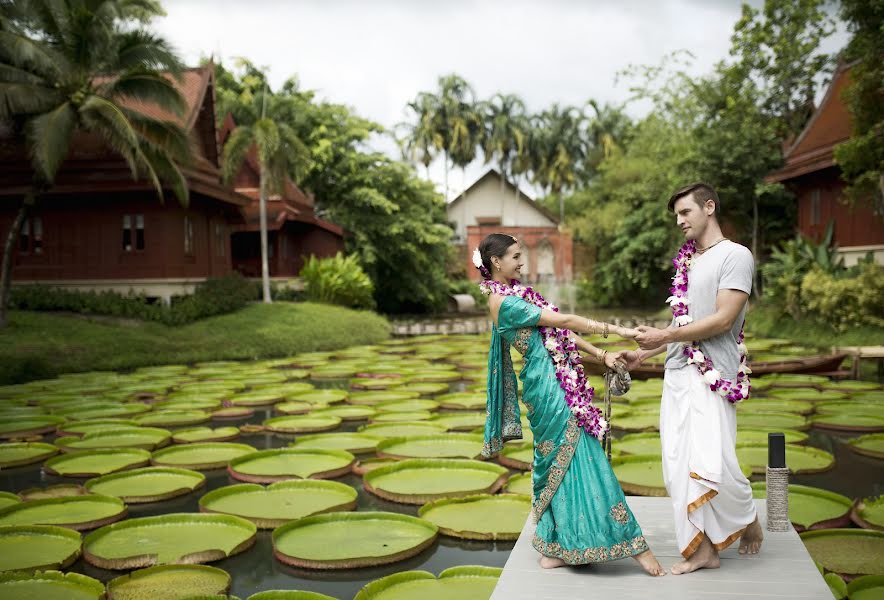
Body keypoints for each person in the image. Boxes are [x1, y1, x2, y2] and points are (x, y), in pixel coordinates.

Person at [477, 232, 665, 576]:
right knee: (581, 456)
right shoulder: (503, 303)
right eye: (516, 257)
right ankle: (632, 543)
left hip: (553, 376)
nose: (522, 262)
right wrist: (619, 331)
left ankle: (557, 548)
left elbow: (556, 332)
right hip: (548, 385)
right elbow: (562, 321)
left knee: (566, 461)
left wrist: (600, 354)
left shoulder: (514, 293)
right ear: (496, 262)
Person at [625, 182, 764, 575]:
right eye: (676, 216)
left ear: (709, 207)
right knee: (678, 464)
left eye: (685, 212)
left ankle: (744, 520)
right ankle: (708, 548)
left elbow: (721, 319)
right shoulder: (687, 261)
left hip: (713, 375)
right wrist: (639, 353)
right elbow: (679, 322)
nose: (680, 221)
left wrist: (665, 336)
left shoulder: (735, 256)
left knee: (714, 463)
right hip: (677, 374)